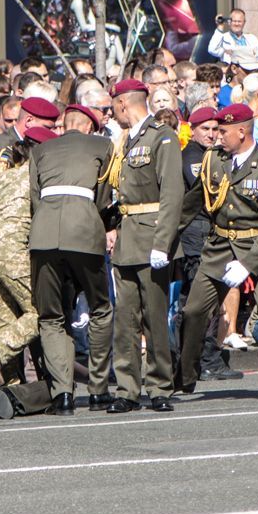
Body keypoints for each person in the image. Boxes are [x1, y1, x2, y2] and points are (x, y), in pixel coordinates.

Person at [177, 103, 258, 404]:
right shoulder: (214, 161)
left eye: (223, 131)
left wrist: (247, 263)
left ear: (242, 132)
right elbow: (192, 204)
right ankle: (187, 374)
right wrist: (164, 238)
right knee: (193, 311)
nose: (218, 137)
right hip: (218, 247)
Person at [28, 104, 116, 415]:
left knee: (51, 316)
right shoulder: (104, 145)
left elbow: (35, 196)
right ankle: (98, 388)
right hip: (84, 231)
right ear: (91, 127)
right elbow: (105, 196)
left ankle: (62, 393)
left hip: (44, 234)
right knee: (101, 307)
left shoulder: (41, 150)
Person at [108, 82, 184, 413]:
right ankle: (127, 388)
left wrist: (162, 242)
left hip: (152, 236)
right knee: (125, 319)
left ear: (124, 104)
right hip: (127, 239)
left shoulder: (161, 136)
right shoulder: (127, 140)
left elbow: (171, 192)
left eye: (113, 105)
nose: (112, 112)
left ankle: (159, 386)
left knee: (154, 317)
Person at [0, 130, 46, 390]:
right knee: (42, 312)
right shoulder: (38, 178)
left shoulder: (6, 176)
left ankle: (10, 388)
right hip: (10, 250)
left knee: (6, 322)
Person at [179, 108, 243, 381]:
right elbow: (211, 192)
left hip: (207, 234)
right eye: (205, 129)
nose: (211, 134)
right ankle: (204, 360)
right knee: (204, 303)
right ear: (192, 130)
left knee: (208, 301)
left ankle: (199, 360)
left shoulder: (212, 156)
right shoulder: (195, 158)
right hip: (197, 235)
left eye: (215, 129)